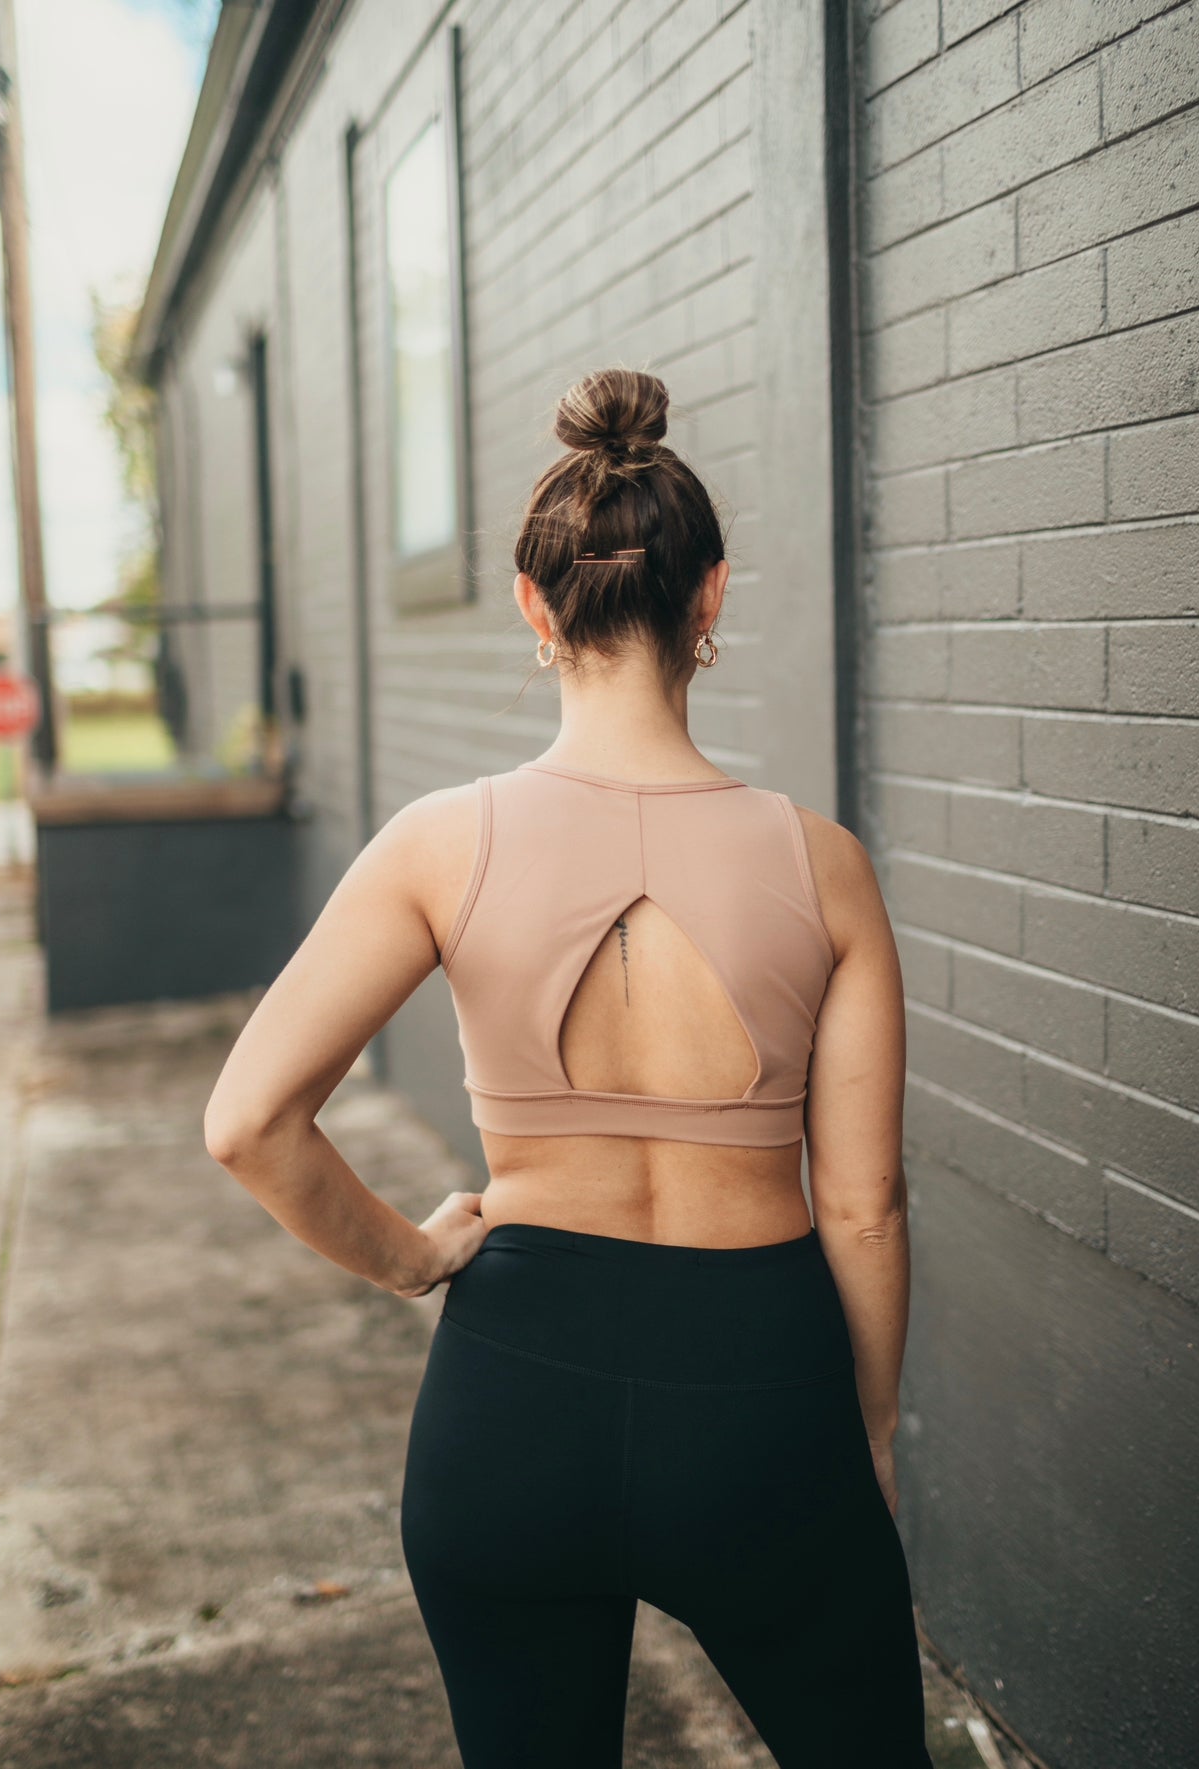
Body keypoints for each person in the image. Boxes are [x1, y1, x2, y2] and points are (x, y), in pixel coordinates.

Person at [204, 367, 935, 1769]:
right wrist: (869, 1428)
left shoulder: (436, 843)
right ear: (709, 597)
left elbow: (249, 1121)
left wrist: (414, 1259)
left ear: (536, 610)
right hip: (759, 1402)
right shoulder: (822, 866)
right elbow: (864, 1202)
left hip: (510, 1403)